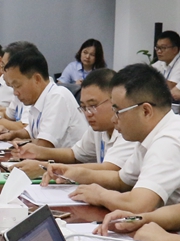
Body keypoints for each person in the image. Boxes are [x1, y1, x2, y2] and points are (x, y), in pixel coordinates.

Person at [44, 64, 180, 213]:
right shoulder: (150, 136)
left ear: (146, 111)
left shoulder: (168, 141)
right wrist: (77, 173)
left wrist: (100, 195)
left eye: (118, 111)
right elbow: (121, 180)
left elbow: (139, 205)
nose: (114, 119)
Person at [12, 69, 135, 178]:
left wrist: (45, 167)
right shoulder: (98, 128)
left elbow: (110, 169)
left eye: (93, 105)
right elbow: (74, 154)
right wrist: (38, 151)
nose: (88, 114)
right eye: (83, 107)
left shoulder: (129, 130)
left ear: (114, 101)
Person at [0, 48, 86, 148]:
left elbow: (44, 145)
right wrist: (12, 134)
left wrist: (21, 142)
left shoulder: (57, 97)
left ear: (37, 79)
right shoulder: (37, 99)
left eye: (17, 85)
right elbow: (32, 131)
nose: (15, 93)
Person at [150, 31, 180, 97]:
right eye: (157, 48)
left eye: (163, 48)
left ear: (175, 50)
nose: (159, 51)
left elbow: (171, 86)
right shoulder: (160, 63)